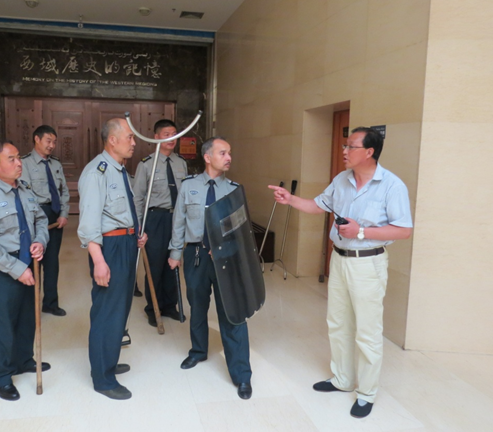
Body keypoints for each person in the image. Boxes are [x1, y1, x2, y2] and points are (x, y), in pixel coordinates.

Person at [269, 127, 413, 418]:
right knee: (337, 322)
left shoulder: (392, 186)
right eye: (345, 145)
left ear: (369, 152)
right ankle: (342, 379)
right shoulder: (341, 180)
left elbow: (403, 230)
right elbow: (318, 205)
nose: (344, 151)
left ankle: (367, 393)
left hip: (368, 263)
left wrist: (361, 231)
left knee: (368, 330)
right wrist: (290, 199)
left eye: (351, 146)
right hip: (340, 259)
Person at [168, 136, 253, 400]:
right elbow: (179, 220)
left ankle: (242, 374)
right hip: (196, 255)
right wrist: (175, 252)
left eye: (230, 153)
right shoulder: (189, 186)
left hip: (227, 258)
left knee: (233, 313)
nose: (229, 158)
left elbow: (242, 230)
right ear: (207, 157)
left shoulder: (234, 190)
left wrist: (230, 250)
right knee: (197, 307)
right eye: (223, 153)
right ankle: (198, 352)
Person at [0, 141, 50, 401]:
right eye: (11, 159)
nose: (18, 163)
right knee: (3, 323)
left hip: (30, 260)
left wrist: (40, 241)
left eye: (18, 158)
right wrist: (17, 269)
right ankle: (1, 377)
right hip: (2, 268)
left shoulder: (25, 190)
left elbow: (40, 219)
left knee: (28, 316)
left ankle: (23, 359)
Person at [77, 118, 147, 400]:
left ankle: (108, 360)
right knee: (107, 312)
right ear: (112, 140)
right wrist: (99, 261)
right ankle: (103, 379)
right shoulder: (97, 172)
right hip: (109, 249)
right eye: (130, 137)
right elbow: (89, 224)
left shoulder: (120, 171)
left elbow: (122, 213)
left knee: (120, 309)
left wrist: (135, 232)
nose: (134, 142)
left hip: (126, 243)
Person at [133, 119, 188, 327]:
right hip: (155, 219)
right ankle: (153, 308)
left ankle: (170, 306)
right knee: (155, 265)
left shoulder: (181, 163)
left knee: (173, 261)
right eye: (166, 134)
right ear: (156, 137)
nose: (171, 138)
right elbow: (138, 198)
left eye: (174, 134)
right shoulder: (146, 164)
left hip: (176, 218)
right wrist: (139, 226)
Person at [20, 125, 70, 316]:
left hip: (54, 214)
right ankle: (30, 306)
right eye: (48, 141)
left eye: (54, 142)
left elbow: (63, 191)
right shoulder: (24, 163)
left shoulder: (56, 164)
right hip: (34, 216)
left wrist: (64, 213)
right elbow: (25, 195)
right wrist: (37, 219)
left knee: (52, 262)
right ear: (37, 139)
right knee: (34, 261)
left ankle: (50, 303)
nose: (52, 145)